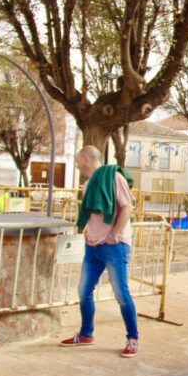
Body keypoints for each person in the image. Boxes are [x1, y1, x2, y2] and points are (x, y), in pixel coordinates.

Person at [59, 145, 140, 358]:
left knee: (121, 293)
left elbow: (128, 206)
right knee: (83, 291)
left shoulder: (113, 177)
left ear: (86, 159)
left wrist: (114, 234)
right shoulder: (87, 185)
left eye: (78, 161)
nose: (77, 165)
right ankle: (86, 334)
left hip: (115, 245)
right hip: (93, 244)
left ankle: (133, 338)